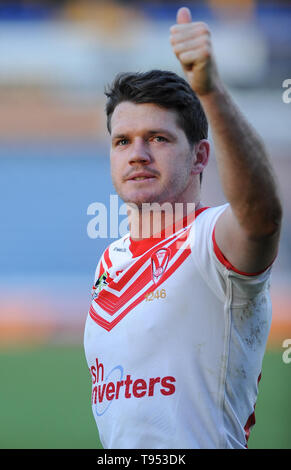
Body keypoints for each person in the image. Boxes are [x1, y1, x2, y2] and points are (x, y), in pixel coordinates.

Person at [84, 7, 282, 449]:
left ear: (199, 156)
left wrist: (209, 91)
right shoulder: (109, 260)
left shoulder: (212, 242)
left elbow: (261, 218)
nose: (136, 153)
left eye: (158, 138)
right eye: (122, 141)